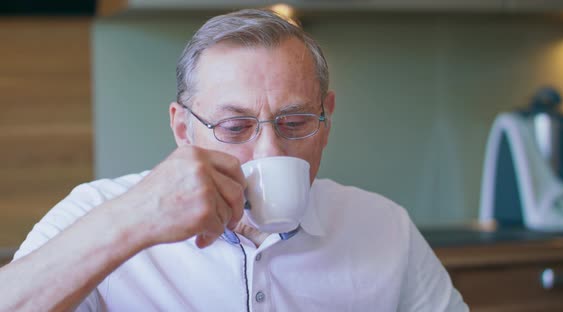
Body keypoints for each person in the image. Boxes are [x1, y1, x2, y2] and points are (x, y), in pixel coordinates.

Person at [0, 9, 468, 311]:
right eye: (235, 127)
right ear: (184, 130)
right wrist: (133, 222)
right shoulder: (97, 212)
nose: (269, 151)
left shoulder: (384, 228)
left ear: (326, 120)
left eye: (295, 121)